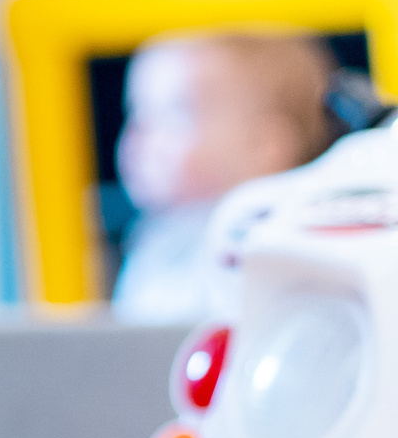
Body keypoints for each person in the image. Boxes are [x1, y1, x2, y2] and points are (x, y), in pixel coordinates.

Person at [110, 33, 335, 324]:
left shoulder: (264, 252)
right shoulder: (155, 245)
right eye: (137, 111)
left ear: (264, 146)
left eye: (177, 113)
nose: (142, 133)